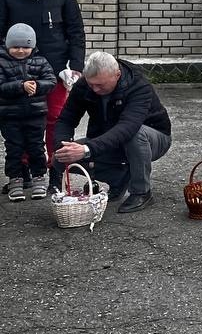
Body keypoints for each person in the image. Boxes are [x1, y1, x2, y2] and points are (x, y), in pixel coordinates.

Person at [0, 0, 86, 194]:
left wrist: (76, 67)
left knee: (54, 121)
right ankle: (23, 170)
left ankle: (53, 170)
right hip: (16, 72)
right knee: (20, 120)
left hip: (56, 71)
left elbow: (76, 32)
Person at [53, 51, 171, 214]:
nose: (94, 89)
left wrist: (87, 149)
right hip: (110, 139)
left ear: (117, 74)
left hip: (153, 138)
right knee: (58, 159)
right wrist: (63, 146)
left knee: (135, 135)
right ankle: (119, 178)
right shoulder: (83, 85)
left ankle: (141, 192)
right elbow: (66, 119)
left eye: (100, 85)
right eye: (91, 84)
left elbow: (127, 127)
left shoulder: (138, 85)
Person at [1, 24, 56, 201]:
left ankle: (39, 177)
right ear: (8, 45)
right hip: (10, 116)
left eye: (25, 47)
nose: (21, 51)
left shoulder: (40, 61)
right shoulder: (1, 62)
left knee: (36, 147)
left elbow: (51, 81)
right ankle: (15, 180)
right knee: (14, 148)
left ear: (32, 47)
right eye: (16, 47)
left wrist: (38, 86)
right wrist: (20, 86)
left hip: (35, 114)